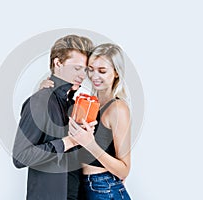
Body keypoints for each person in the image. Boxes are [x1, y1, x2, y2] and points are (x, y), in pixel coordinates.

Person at [40, 43, 132, 199]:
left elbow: (124, 170)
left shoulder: (118, 109)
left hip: (104, 189)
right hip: (82, 186)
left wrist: (90, 144)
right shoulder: (87, 103)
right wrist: (43, 93)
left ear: (116, 73)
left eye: (102, 71)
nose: (94, 76)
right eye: (91, 69)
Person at [12, 34, 95, 200]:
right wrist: (69, 142)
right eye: (77, 68)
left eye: (85, 70)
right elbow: (20, 157)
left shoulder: (71, 103)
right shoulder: (39, 102)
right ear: (58, 63)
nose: (82, 75)